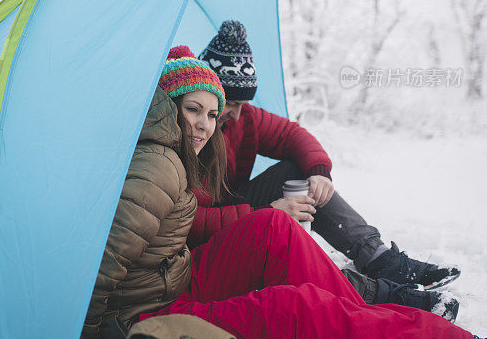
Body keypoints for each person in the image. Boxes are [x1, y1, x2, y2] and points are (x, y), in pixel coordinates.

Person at [69, 45, 487, 339]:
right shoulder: (157, 166)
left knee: (273, 227)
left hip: (170, 283)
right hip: (138, 332)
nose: (206, 124)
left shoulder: (177, 152)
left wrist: (316, 172)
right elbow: (97, 276)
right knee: (292, 309)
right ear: (168, 104)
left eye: (213, 113)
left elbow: (293, 136)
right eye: (192, 110)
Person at [191, 20, 460, 314]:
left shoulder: (242, 120)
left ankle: (379, 258)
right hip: (204, 245)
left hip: (232, 209)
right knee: (282, 245)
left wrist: (318, 171)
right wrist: (263, 214)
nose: (237, 113)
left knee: (299, 173)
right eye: (231, 102)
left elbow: (292, 135)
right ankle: (369, 295)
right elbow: (184, 220)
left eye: (243, 103)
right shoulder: (188, 132)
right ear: (206, 93)